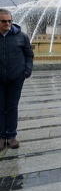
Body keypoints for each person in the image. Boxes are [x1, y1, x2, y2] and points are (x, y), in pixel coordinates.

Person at [0, 8, 34, 151]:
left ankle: (12, 136)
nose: (7, 23)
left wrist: (26, 72)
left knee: (12, 107)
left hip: (16, 78)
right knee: (0, 108)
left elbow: (29, 55)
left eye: (9, 21)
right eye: (3, 21)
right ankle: (1, 137)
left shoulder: (21, 36)